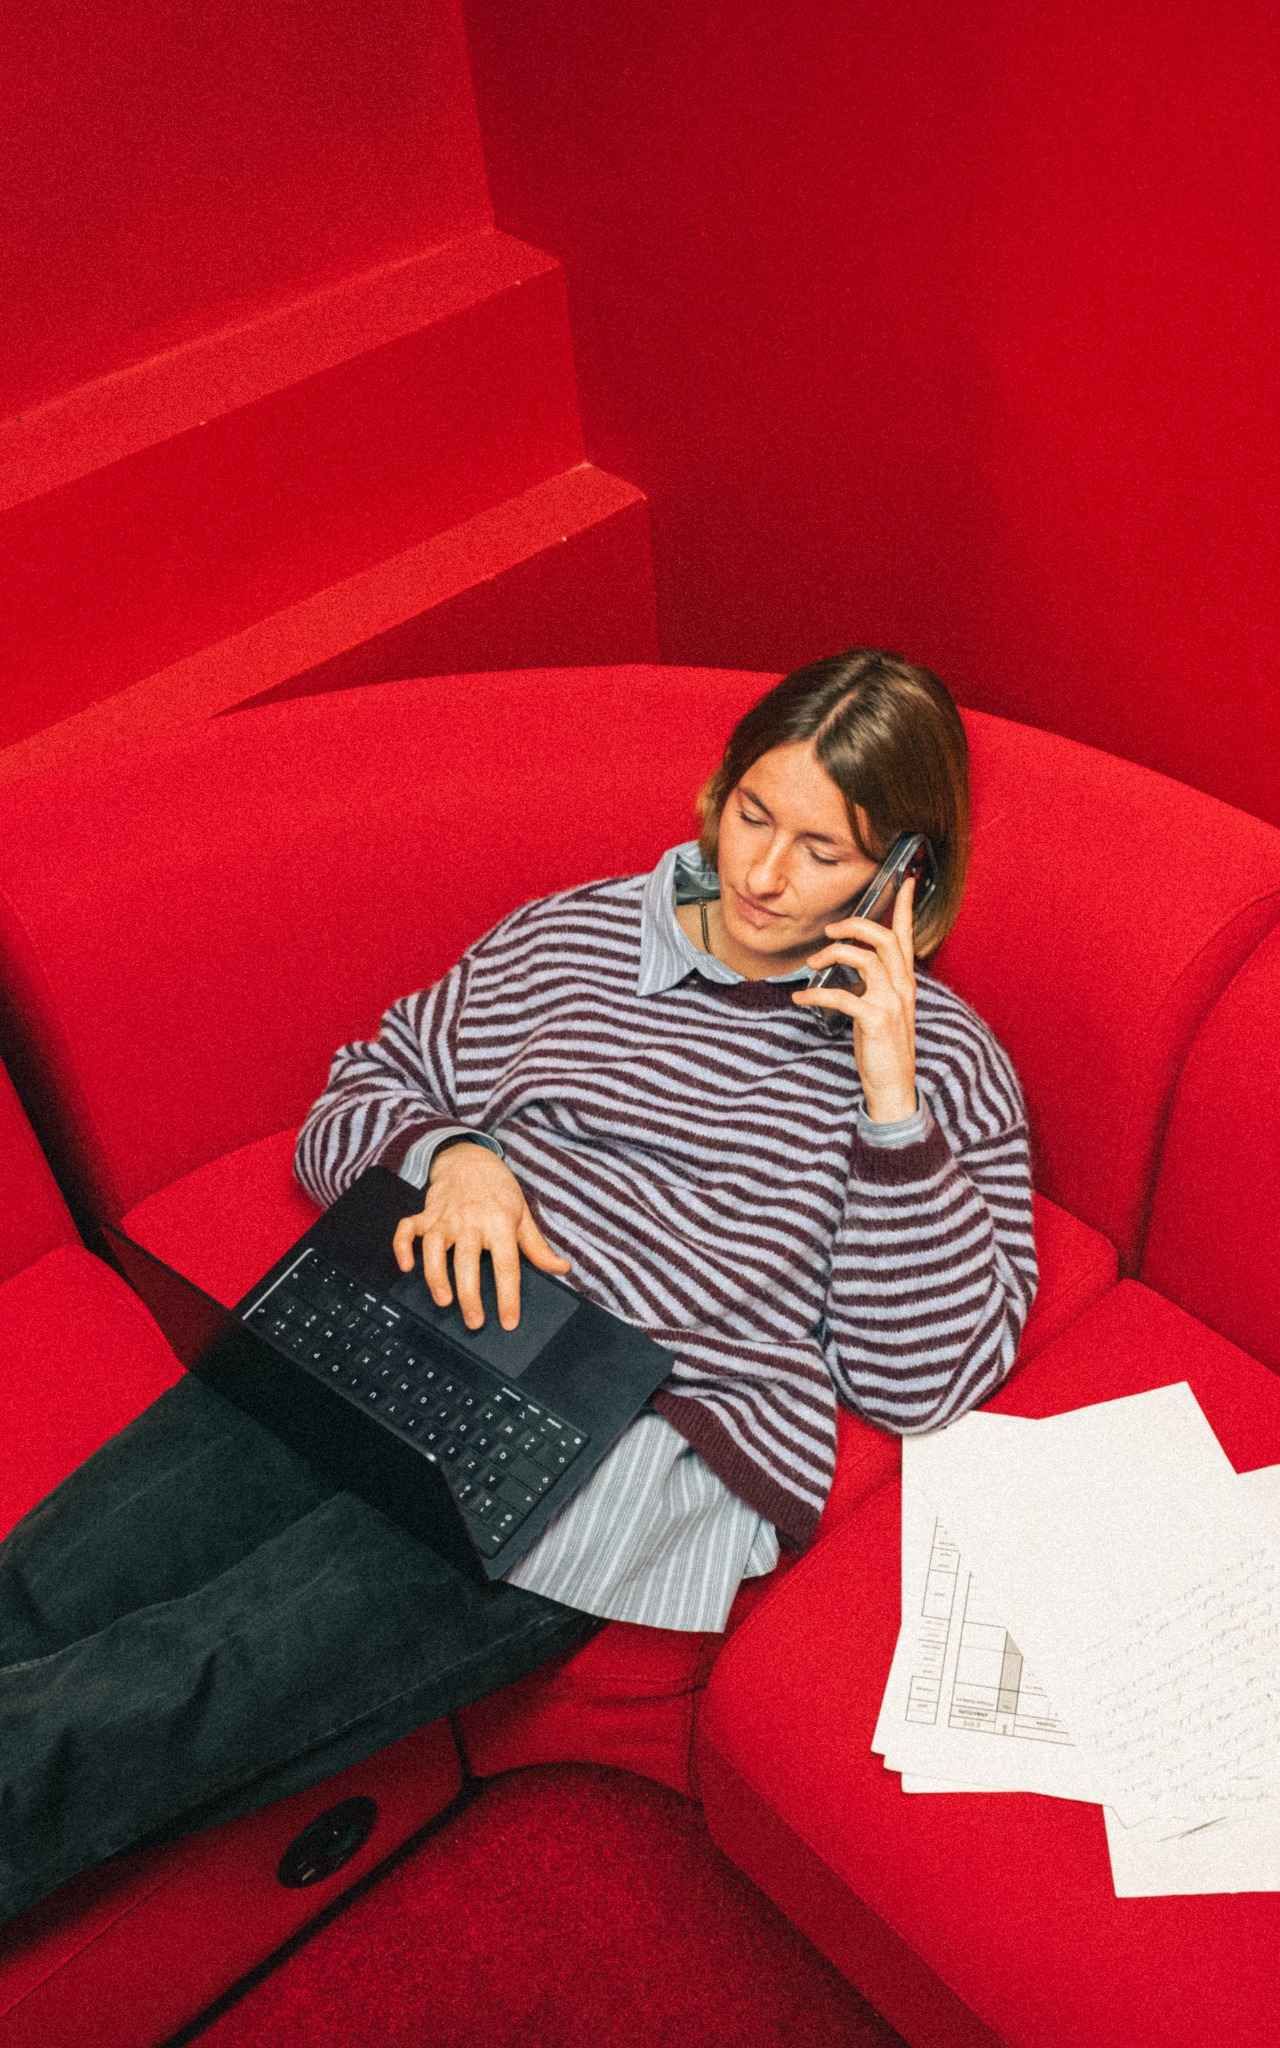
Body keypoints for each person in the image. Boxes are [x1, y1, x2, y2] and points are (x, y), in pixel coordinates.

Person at [0, 649, 1037, 1925]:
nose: (764, 874)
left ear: (905, 872)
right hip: (401, 1320)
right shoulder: (579, 934)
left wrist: (888, 1096)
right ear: (719, 787)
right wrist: (457, 1159)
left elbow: (921, 1377)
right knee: (49, 1577)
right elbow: (356, 1095)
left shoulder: (944, 1067)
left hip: (612, 1440)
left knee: (188, 1676)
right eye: (754, 814)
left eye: (823, 851)